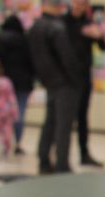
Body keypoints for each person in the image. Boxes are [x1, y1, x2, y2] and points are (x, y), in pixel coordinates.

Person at [28, 0, 80, 174]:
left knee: (50, 122)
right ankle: (62, 164)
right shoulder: (56, 28)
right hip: (64, 82)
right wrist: (76, 79)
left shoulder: (35, 27)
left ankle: (43, 159)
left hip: (48, 81)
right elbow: (67, 58)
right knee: (63, 125)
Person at [65, 0, 105, 167]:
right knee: (65, 118)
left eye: (83, 4)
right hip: (67, 77)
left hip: (84, 76)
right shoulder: (64, 22)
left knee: (83, 117)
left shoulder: (90, 23)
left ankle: (84, 153)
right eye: (77, 3)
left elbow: (103, 47)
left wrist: (99, 35)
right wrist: (80, 32)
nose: (79, 6)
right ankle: (62, 154)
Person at [0, 16, 34, 155]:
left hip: (1, 81)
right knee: (18, 113)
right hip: (23, 83)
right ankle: (17, 142)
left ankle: (1, 142)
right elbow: (32, 61)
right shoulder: (26, 41)